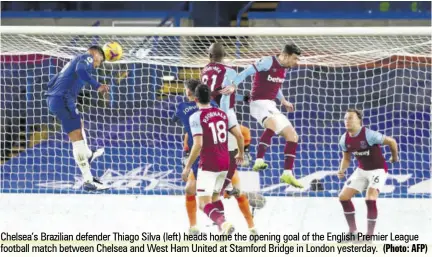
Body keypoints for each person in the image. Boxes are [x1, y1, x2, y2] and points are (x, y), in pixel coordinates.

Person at [182, 84, 244, 235]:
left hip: (209, 164)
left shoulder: (196, 117)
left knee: (203, 205)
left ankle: (224, 224)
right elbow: (240, 136)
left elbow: (198, 145)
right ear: (210, 97)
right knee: (216, 198)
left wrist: (187, 167)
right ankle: (222, 230)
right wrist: (241, 154)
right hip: (225, 162)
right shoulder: (222, 114)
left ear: (195, 99)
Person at [45, 46, 109, 190]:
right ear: (96, 53)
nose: (98, 64)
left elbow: (50, 82)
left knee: (79, 123)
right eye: (100, 60)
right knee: (77, 138)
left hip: (55, 99)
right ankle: (88, 181)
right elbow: (80, 70)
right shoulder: (86, 57)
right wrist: (97, 85)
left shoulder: (71, 62)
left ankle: (88, 154)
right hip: (63, 99)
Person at [338, 109, 399, 239]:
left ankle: (369, 237)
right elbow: (347, 158)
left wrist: (394, 157)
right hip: (361, 171)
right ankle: (353, 233)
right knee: (343, 197)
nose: (347, 121)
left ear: (359, 120)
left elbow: (392, 142)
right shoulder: (344, 139)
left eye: (350, 118)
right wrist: (342, 169)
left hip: (378, 170)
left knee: (370, 199)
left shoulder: (369, 135)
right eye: (345, 118)